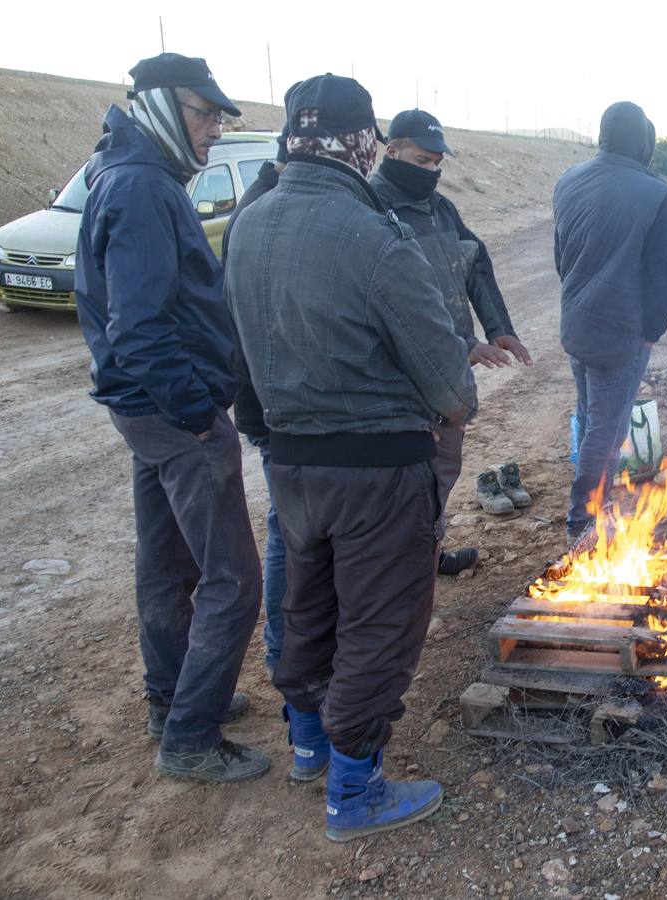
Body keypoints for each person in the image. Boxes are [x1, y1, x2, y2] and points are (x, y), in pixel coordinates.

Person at [224, 74, 476, 840]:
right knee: (378, 625)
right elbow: (452, 389)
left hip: (291, 466)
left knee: (308, 608)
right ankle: (354, 793)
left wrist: (271, 436)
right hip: (378, 472)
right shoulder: (375, 238)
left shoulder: (248, 224)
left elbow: (239, 360)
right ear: (365, 143)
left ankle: (307, 745)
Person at [74, 52, 268, 782]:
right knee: (233, 579)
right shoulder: (141, 186)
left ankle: (170, 698)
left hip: (142, 408)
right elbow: (140, 325)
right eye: (203, 112)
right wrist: (196, 412)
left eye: (218, 116)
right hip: (171, 412)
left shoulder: (128, 172)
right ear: (159, 105)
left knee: (166, 562)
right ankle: (189, 736)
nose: (214, 128)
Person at [369, 108, 532, 572]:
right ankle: (402, 570)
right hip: (401, 379)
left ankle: (427, 554)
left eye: (437, 163)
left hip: (448, 375)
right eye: (421, 161)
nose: (431, 172)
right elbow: (397, 304)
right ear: (391, 150)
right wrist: (463, 342)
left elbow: (475, 260)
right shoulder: (373, 210)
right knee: (405, 481)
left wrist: (498, 327)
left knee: (444, 467)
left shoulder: (441, 209)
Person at [553, 101, 667, 544]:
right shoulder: (655, 193)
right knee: (606, 431)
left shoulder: (568, 181)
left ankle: (590, 507)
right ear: (644, 142)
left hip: (577, 325)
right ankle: (583, 521)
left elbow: (561, 257)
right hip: (620, 336)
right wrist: (651, 335)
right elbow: (665, 276)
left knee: (589, 416)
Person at [221, 123, 288, 675]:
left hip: (270, 403)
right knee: (289, 530)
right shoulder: (263, 212)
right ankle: (282, 654)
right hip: (273, 408)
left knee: (292, 527)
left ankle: (287, 651)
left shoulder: (266, 203)